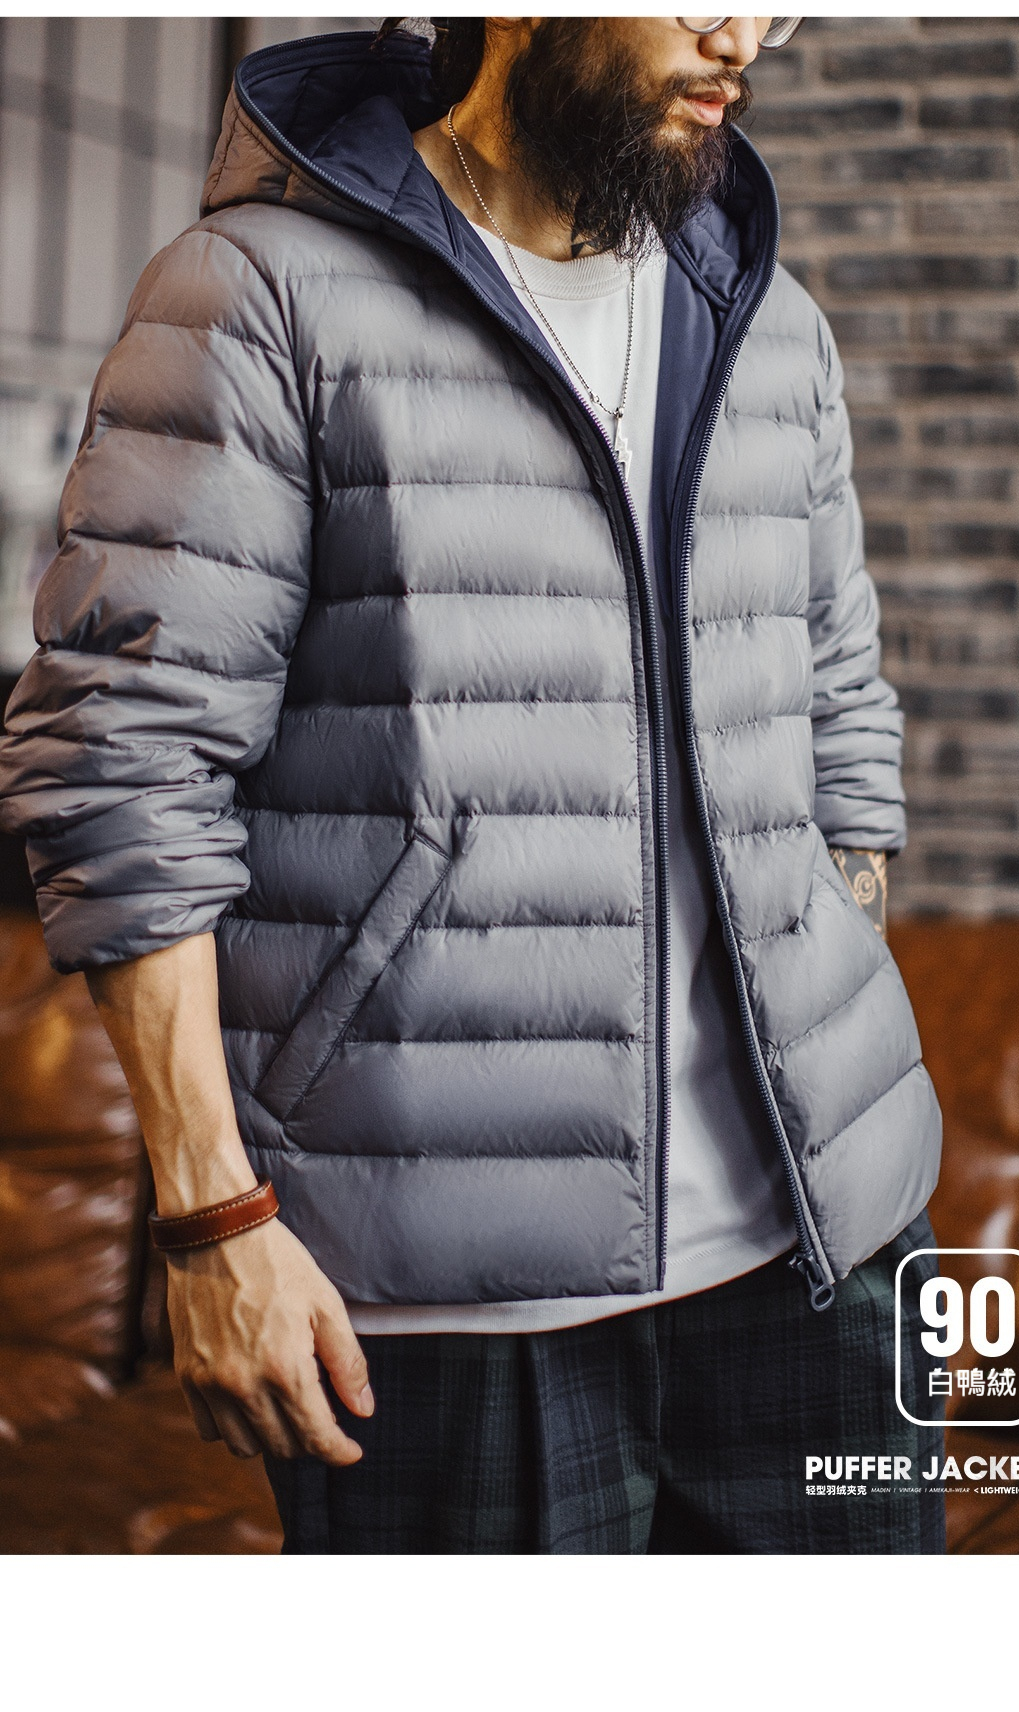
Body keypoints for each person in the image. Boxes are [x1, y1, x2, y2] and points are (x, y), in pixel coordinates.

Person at [0, 18, 945, 1553]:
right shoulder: (257, 296)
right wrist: (213, 1217)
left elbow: (838, 706)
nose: (742, 35)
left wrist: (837, 1028)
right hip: (445, 1302)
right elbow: (124, 766)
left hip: (829, 1263)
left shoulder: (770, 324)